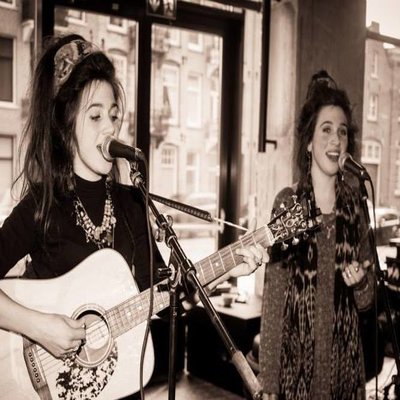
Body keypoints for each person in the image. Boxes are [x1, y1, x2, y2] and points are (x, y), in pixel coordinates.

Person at [0, 34, 267, 397]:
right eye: (95, 116)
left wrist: (226, 269)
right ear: (65, 125)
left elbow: (165, 299)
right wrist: (39, 327)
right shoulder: (42, 205)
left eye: (113, 116)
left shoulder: (132, 205)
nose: (110, 128)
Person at [259, 70, 375, 400]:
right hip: (296, 375)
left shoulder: (355, 207)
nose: (336, 140)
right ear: (309, 142)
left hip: (345, 373)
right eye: (326, 130)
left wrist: (361, 283)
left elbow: (367, 302)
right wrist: (268, 382)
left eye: (342, 131)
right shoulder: (288, 203)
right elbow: (274, 298)